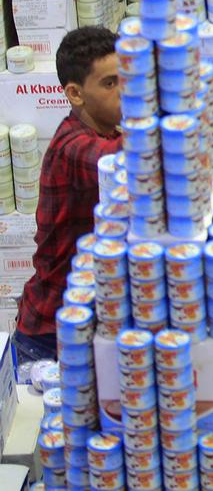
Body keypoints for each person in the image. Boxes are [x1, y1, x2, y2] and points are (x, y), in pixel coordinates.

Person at [14, 27, 122, 366]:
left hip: (84, 321)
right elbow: (123, 161)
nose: (127, 91)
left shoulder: (108, 130)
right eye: (110, 83)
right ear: (75, 94)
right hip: (51, 334)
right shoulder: (71, 147)